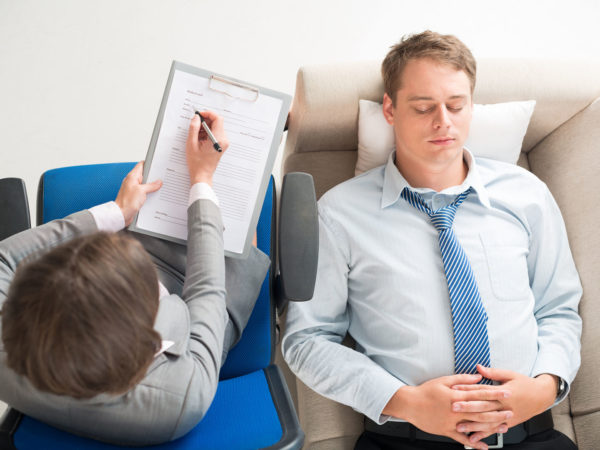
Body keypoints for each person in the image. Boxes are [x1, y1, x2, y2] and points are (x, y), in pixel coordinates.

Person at [282, 31, 582, 450]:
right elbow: (306, 340)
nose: (444, 121)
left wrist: (547, 386)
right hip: (404, 439)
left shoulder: (527, 194)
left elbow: (559, 309)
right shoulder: (337, 214)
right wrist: (407, 402)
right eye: (424, 108)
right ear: (389, 109)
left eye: (456, 106)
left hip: (531, 437)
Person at [0, 111, 270, 445]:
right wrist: (202, 185)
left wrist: (118, 212)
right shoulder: (180, 398)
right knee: (245, 236)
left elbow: (2, 258)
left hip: (108, 318)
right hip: (191, 322)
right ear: (149, 340)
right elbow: (208, 296)